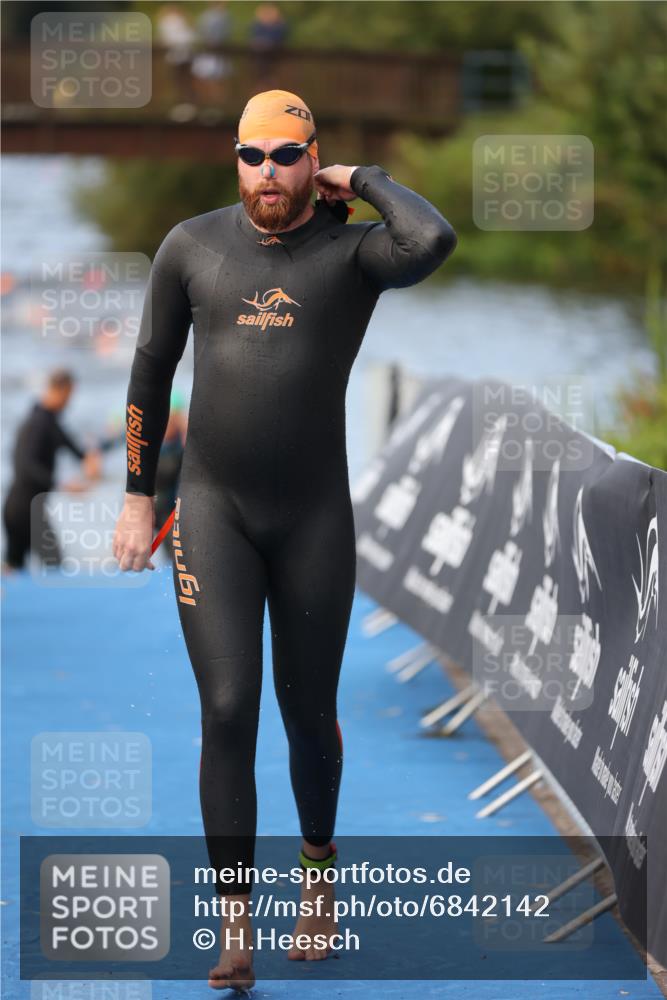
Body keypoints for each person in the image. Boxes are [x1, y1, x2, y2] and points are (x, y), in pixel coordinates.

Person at [112, 88, 457, 991]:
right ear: (234, 160)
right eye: (250, 155)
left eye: (286, 155)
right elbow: (149, 371)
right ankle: (235, 928)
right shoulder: (191, 246)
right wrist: (137, 498)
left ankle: (317, 877)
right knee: (228, 708)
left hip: (313, 519)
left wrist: (363, 179)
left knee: (308, 716)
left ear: (312, 162)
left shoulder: (354, 252)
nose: (266, 171)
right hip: (212, 512)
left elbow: (431, 240)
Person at [2, 369, 101, 571]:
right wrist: (63, 485)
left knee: (15, 568)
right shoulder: (38, 424)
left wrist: (89, 457)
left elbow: (72, 446)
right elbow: (26, 466)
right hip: (23, 508)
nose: (68, 402)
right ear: (58, 390)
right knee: (53, 565)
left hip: (22, 508)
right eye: (68, 396)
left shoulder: (48, 421)